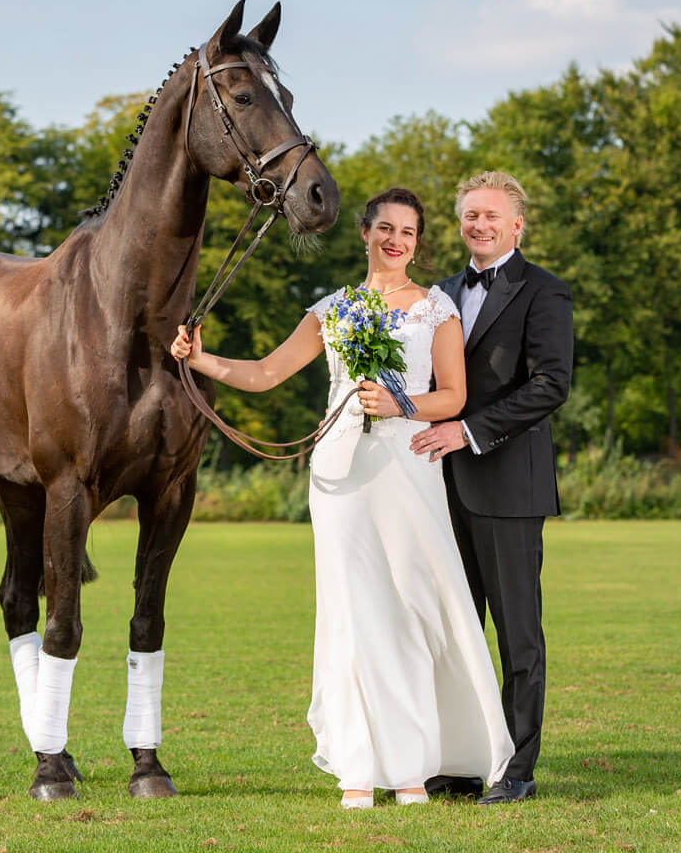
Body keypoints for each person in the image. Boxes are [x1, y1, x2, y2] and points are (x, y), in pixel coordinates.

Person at [171, 187, 513, 810]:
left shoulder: (436, 309)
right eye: (385, 228)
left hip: (408, 470)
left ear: (418, 242)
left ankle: (411, 770)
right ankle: (358, 765)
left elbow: (454, 398)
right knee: (351, 614)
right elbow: (266, 373)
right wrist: (202, 360)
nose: (395, 241)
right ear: (364, 232)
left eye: (407, 232)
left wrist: (403, 403)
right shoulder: (333, 308)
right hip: (339, 479)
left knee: (410, 609)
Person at [410, 171, 573, 805]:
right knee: (453, 632)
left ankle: (516, 767)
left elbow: (550, 384)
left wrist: (468, 431)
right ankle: (459, 762)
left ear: (516, 226)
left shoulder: (543, 292)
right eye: (469, 215)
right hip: (436, 488)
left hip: (508, 484)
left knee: (516, 632)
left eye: (490, 216)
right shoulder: (439, 293)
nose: (479, 225)